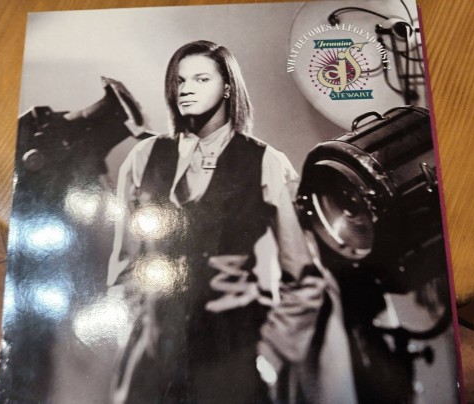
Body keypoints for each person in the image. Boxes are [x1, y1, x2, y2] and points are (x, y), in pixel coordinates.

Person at [107, 40, 324, 404]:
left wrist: (271, 353)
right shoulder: (144, 157)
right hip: (156, 359)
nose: (186, 89)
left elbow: (305, 279)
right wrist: (142, 325)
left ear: (227, 87)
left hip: (232, 355)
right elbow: (124, 264)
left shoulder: (267, 162)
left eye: (201, 79)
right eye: (179, 81)